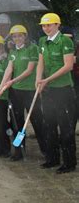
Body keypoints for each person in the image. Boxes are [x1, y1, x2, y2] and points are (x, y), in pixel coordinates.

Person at [0, 25, 46, 161]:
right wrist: (2, 85)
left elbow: (30, 70)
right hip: (16, 93)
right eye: (14, 36)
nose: (17, 38)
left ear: (25, 36)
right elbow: (9, 69)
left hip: (31, 91)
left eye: (20, 35)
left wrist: (12, 81)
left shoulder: (33, 49)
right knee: (16, 123)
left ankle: (46, 150)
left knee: (37, 121)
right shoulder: (13, 51)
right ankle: (19, 151)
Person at [36, 13, 77, 174]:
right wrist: (38, 80)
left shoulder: (65, 41)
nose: (46, 28)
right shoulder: (41, 41)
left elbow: (68, 66)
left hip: (63, 90)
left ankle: (69, 163)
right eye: (44, 25)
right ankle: (52, 159)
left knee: (65, 128)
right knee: (49, 125)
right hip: (48, 90)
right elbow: (41, 62)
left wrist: (48, 79)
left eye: (49, 25)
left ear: (57, 25)